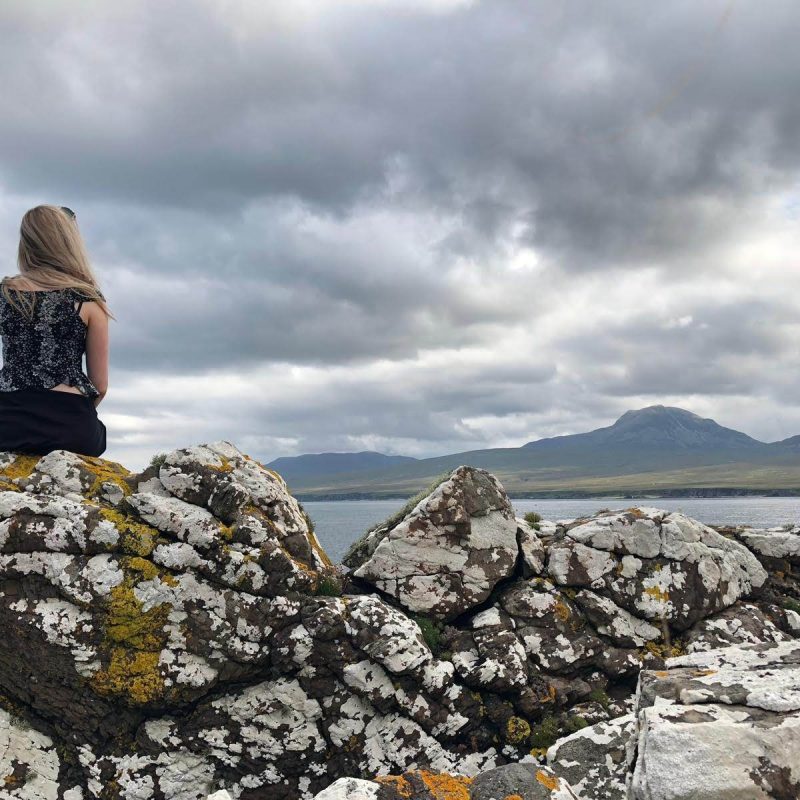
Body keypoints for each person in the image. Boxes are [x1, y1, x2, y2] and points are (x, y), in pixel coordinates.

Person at [0, 205, 113, 458]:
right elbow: (101, 385)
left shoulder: (4, 293)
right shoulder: (88, 299)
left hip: (9, 423)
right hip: (71, 427)